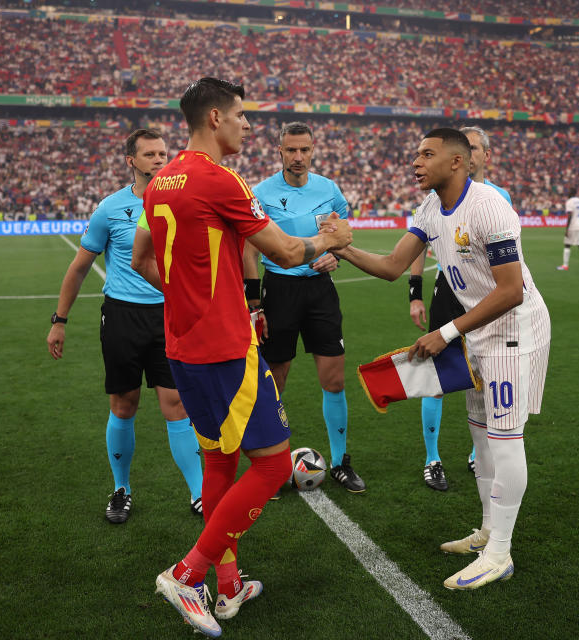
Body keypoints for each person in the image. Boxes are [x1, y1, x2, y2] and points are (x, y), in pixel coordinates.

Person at [131, 77, 352, 636]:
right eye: (241, 115)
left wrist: (189, 298)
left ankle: (227, 588)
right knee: (274, 465)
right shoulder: (222, 179)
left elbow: (141, 262)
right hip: (227, 348)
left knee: (218, 462)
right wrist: (333, 240)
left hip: (181, 343)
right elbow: (284, 250)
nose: (248, 125)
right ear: (214, 119)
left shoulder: (159, 181)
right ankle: (189, 573)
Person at [335, 128, 550, 591]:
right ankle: (489, 532)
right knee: (482, 436)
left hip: (513, 331)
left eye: (426, 154)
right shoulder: (431, 208)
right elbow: (393, 266)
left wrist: (446, 332)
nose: (416, 161)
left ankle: (500, 554)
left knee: (506, 439)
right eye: (416, 153)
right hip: (477, 331)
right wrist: (341, 246)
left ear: (458, 162)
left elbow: (512, 291)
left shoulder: (490, 206)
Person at [46, 129, 203, 524]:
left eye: (163, 153)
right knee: (123, 403)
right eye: (150, 154)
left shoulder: (183, 203)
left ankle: (201, 493)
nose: (159, 160)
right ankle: (121, 489)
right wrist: (59, 321)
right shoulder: (110, 208)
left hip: (169, 316)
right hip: (122, 317)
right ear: (131, 160)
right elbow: (79, 267)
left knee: (176, 404)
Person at [243, 121, 365, 494]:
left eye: (304, 150)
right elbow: (248, 248)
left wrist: (336, 257)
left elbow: (341, 233)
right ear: (279, 151)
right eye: (291, 150)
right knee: (274, 381)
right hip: (279, 290)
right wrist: (255, 302)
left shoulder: (328, 189)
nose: (298, 157)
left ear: (313, 150)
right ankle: (273, 466)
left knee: (334, 379)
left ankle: (342, 462)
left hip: (320, 292)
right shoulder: (261, 192)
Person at [407, 125, 511, 491]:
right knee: (437, 378)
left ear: (480, 156)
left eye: (479, 147)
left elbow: (506, 274)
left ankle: (476, 451)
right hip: (448, 292)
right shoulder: (436, 201)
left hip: (486, 300)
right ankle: (432, 457)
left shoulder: (496, 199)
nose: (474, 152)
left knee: (481, 375)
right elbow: (415, 247)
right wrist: (415, 292)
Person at [557, 187, 579, 271]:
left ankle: (565, 266)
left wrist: (567, 229)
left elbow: (569, 215)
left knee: (567, 245)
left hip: (573, 226)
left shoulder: (569, 202)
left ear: (570, 193)